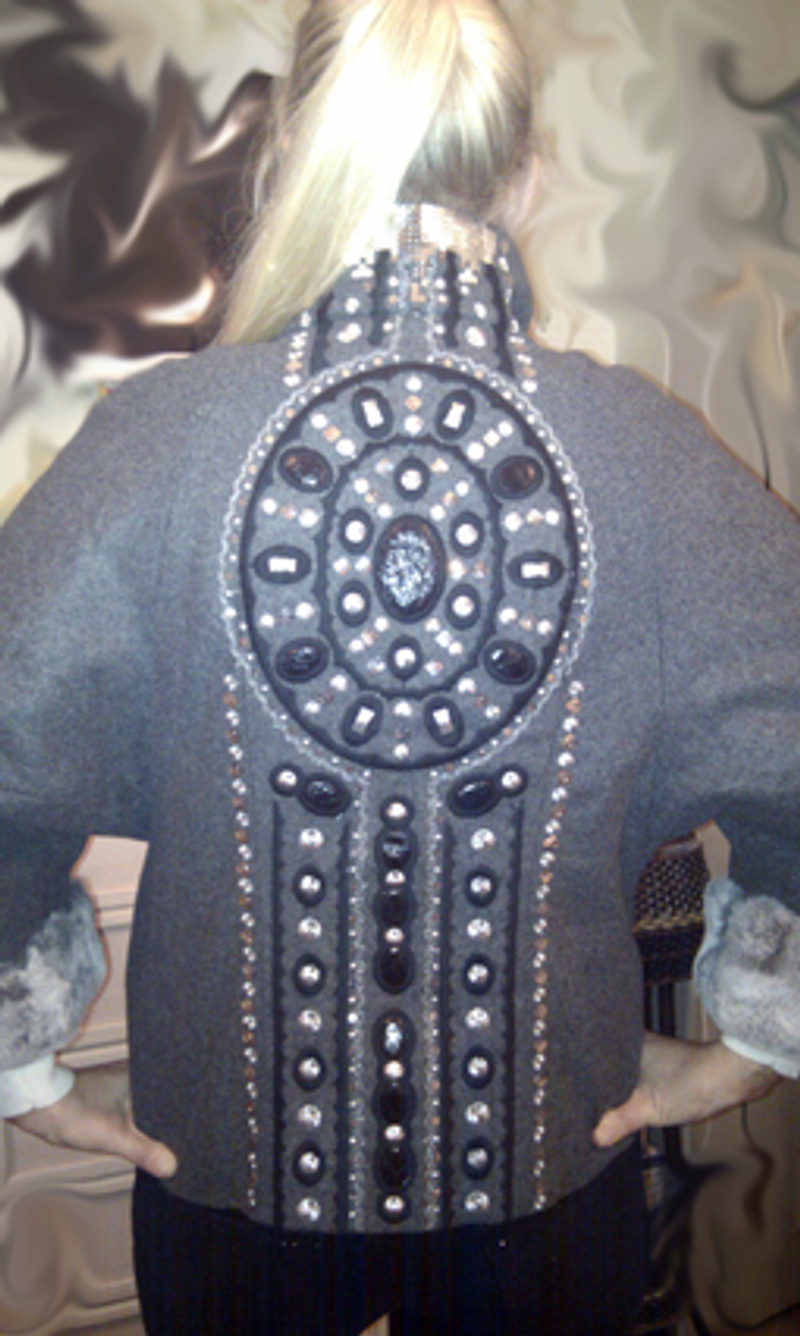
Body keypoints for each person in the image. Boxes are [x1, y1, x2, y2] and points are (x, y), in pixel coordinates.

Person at [2, 1, 799, 1332]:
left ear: (292, 155)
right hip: (552, 1185)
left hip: (228, 1181)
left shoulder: (152, 444)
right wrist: (759, 1042)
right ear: (523, 178)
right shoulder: (651, 462)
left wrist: (22, 1066)